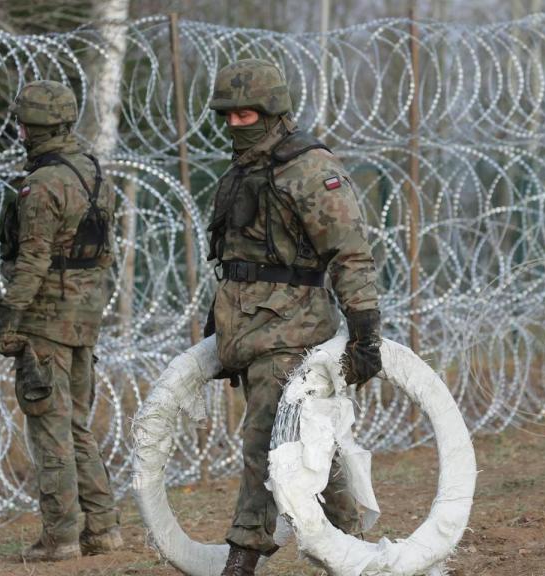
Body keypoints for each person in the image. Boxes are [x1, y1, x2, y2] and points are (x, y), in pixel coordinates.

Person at [204, 59, 383, 576]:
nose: (236, 125)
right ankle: (350, 550)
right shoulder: (243, 172)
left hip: (291, 332)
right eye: (229, 116)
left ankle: (242, 558)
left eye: (247, 115)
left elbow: (349, 252)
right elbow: (234, 258)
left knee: (265, 443)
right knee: (310, 446)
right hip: (250, 329)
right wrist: (217, 325)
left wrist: (366, 331)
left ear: (273, 111)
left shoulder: (308, 168)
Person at [0, 80, 123, 561]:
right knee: (77, 426)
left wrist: (7, 319)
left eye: (22, 124)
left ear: (31, 127)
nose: (19, 132)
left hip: (46, 318)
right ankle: (104, 528)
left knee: (50, 428)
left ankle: (60, 536)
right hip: (85, 314)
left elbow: (32, 263)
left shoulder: (42, 183)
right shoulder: (92, 172)